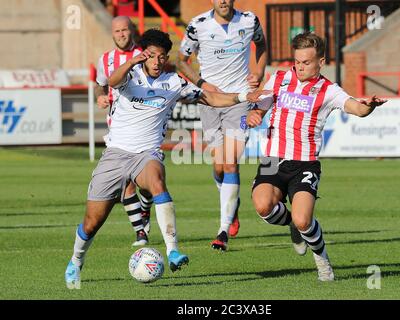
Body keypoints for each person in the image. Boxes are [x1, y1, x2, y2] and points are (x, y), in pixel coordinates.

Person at [65, 28, 268, 289]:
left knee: (157, 182)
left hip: (147, 153)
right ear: (143, 55)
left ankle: (172, 250)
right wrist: (130, 62)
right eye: (152, 56)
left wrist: (242, 97)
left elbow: (211, 98)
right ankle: (76, 261)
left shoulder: (174, 82)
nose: (157, 62)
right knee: (92, 222)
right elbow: (113, 82)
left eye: (162, 57)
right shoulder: (131, 75)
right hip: (116, 154)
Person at [246, 32, 387, 281]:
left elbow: (356, 107)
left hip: (304, 163)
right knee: (263, 207)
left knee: (303, 220)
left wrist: (369, 106)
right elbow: (261, 105)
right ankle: (291, 225)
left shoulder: (329, 90)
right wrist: (255, 114)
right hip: (272, 159)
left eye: (306, 63)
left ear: (320, 62)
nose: (300, 67)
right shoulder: (279, 78)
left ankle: (322, 261)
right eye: (297, 62)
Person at [177, 0, 267, 251]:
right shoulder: (198, 25)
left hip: (239, 100)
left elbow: (261, 45)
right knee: (219, 167)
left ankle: (223, 230)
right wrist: (203, 84)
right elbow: (181, 61)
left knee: (230, 162)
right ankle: (232, 203)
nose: (223, 0)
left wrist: (258, 72)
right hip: (208, 101)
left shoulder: (249, 20)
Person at [95, 16, 153, 247]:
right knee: (125, 181)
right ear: (112, 33)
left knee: (147, 183)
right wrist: (100, 95)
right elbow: (101, 83)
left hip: (144, 126)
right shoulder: (106, 59)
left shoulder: (145, 55)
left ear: (132, 31)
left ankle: (146, 209)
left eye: (124, 30)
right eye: (117, 31)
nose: (121, 34)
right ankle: (140, 231)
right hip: (117, 130)